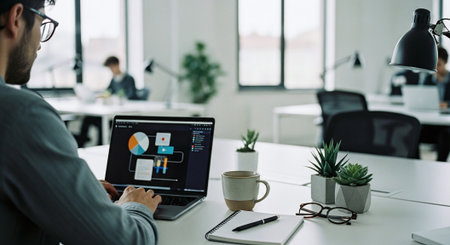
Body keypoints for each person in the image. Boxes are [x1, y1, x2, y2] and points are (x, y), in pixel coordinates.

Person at [0, 1, 161, 244]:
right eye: (43, 24)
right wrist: (137, 207)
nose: (40, 44)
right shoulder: (21, 115)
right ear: (16, 18)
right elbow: (126, 241)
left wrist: (66, 190)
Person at [75, 56, 138, 147]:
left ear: (117, 65)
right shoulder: (113, 79)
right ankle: (81, 142)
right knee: (88, 118)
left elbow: (131, 95)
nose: (111, 70)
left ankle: (100, 145)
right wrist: (98, 96)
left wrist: (116, 97)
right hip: (111, 109)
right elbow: (107, 91)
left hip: (119, 113)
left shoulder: (129, 78)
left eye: (112, 67)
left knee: (101, 123)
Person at [422, 46, 450, 162]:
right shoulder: (428, 79)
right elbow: (421, 98)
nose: (436, 68)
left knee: (446, 135)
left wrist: (447, 105)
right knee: (412, 131)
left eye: (438, 64)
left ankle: (440, 163)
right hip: (430, 121)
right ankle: (416, 162)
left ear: (445, 62)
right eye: (434, 65)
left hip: (445, 124)